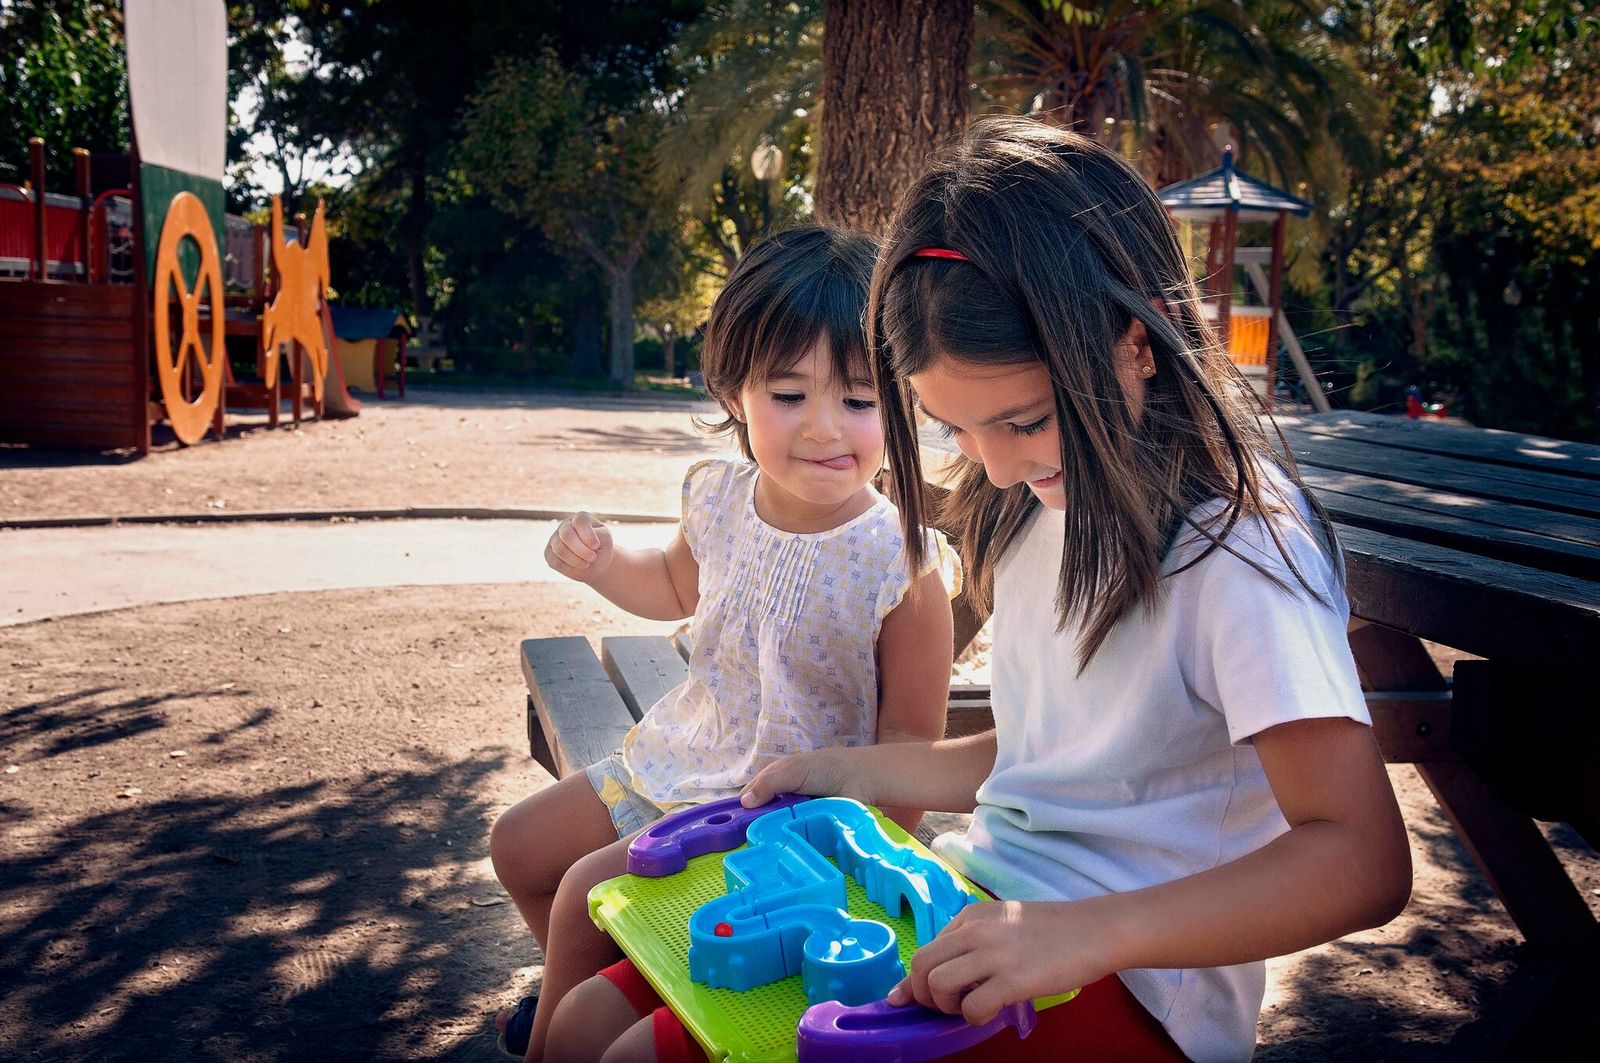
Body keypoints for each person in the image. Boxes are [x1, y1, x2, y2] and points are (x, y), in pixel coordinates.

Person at [550, 118, 1411, 1062]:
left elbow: (1360, 858)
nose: (994, 470)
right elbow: (1055, 754)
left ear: (1136, 343)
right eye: (955, 427)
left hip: (1134, 987)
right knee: (592, 1016)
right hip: (977, 905)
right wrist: (848, 771)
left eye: (1024, 420)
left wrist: (1085, 932)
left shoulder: (1239, 546)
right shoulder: (1048, 495)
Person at [490, 225, 960, 1063]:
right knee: (518, 846)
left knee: (577, 896)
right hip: (681, 754)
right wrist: (603, 566)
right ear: (734, 390)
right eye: (789, 395)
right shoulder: (720, 500)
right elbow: (673, 585)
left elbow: (911, 748)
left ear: (903, 401)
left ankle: (556, 1037)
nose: (824, 428)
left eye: (858, 400)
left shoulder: (902, 562)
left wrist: (832, 853)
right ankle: (577, 990)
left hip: (777, 820)